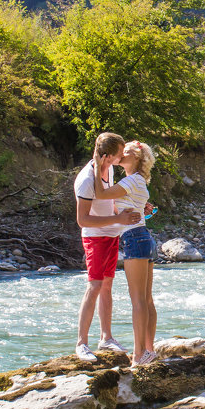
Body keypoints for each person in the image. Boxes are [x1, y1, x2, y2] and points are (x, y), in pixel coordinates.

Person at [73, 132, 143, 362]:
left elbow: (109, 201)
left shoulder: (109, 168)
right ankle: (81, 343)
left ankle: (106, 337)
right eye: (118, 155)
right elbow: (83, 220)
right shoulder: (86, 180)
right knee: (94, 286)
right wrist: (117, 220)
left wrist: (133, 208)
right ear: (106, 156)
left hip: (112, 234)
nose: (121, 158)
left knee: (107, 286)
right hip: (95, 237)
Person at [92, 140, 158, 365]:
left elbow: (100, 194)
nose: (120, 154)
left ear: (137, 158)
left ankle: (139, 354)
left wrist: (95, 165)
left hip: (134, 239)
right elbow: (124, 206)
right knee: (146, 300)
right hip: (143, 237)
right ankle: (149, 350)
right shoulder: (136, 181)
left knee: (139, 301)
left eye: (125, 152)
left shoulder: (131, 180)